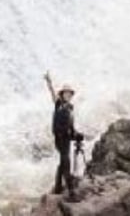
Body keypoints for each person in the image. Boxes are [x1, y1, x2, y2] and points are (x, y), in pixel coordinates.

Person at [45, 72, 84, 200]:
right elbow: (52, 93)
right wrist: (49, 82)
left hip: (66, 139)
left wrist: (76, 134)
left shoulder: (70, 108)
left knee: (63, 162)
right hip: (60, 139)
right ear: (62, 94)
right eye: (66, 92)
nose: (68, 94)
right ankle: (72, 193)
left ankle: (57, 186)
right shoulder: (59, 103)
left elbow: (70, 126)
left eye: (69, 93)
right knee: (66, 162)